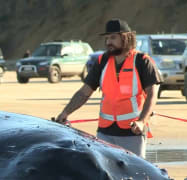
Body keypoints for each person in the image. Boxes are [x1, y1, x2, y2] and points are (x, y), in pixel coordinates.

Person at [55, 19, 162, 158]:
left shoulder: (142, 61)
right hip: (105, 132)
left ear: (126, 37)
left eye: (113, 37)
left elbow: (152, 94)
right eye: (106, 38)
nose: (108, 42)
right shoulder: (102, 61)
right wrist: (65, 113)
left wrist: (142, 121)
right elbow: (84, 92)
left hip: (132, 132)